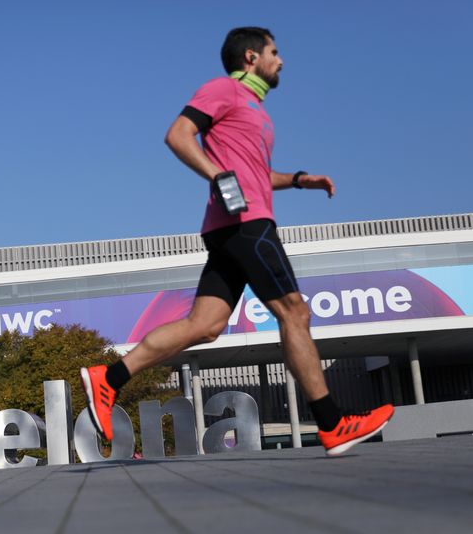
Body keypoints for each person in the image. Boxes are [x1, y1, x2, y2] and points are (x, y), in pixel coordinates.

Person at [80, 26, 393, 456]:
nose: (281, 61)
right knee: (294, 312)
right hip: (247, 223)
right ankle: (332, 422)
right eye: (274, 52)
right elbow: (178, 135)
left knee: (204, 326)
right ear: (251, 57)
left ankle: (108, 378)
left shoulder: (256, 110)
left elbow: (257, 174)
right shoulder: (223, 90)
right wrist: (216, 175)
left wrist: (300, 180)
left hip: (230, 227)